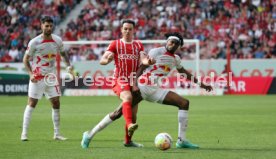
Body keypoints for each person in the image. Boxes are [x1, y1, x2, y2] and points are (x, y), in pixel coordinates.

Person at [81, 32, 213, 149]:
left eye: (175, 43)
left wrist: (201, 84)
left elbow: (184, 72)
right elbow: (141, 68)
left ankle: (182, 141)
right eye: (170, 42)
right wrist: (134, 84)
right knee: (118, 113)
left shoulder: (176, 59)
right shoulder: (156, 52)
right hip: (142, 87)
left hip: (155, 90)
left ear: (179, 46)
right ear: (167, 42)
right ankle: (89, 134)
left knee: (184, 103)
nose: (172, 44)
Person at [91, 19, 154, 146]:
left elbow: (143, 59)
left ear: (134, 30)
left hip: (133, 81)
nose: (127, 31)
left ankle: (128, 141)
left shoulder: (138, 45)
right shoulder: (115, 44)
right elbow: (102, 60)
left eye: (130, 29)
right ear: (121, 30)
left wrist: (149, 61)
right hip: (120, 79)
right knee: (127, 97)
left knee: (134, 114)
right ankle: (130, 124)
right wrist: (107, 60)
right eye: (125, 29)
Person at [21, 16, 75, 141]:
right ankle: (24, 133)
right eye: (47, 26)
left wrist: (69, 68)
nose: (49, 28)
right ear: (42, 26)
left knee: (56, 102)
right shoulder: (34, 42)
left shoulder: (57, 40)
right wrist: (30, 74)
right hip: (37, 77)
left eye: (51, 26)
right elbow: (25, 60)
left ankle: (57, 134)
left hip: (51, 77)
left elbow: (63, 54)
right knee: (32, 103)